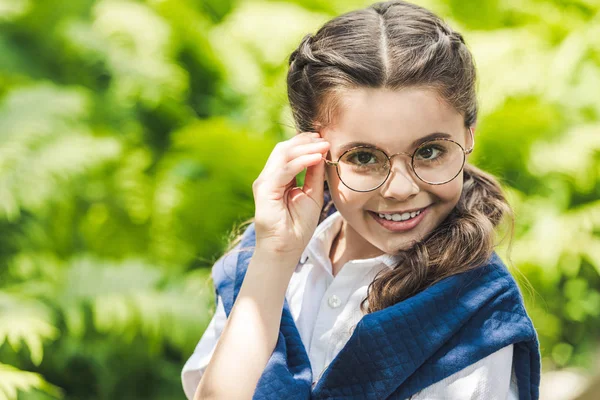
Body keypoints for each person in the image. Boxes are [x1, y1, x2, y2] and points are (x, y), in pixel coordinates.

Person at [182, 1, 540, 399]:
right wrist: (275, 255)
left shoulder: (475, 314)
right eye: (364, 158)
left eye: (430, 151)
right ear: (313, 151)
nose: (400, 188)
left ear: (469, 135)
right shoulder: (265, 260)